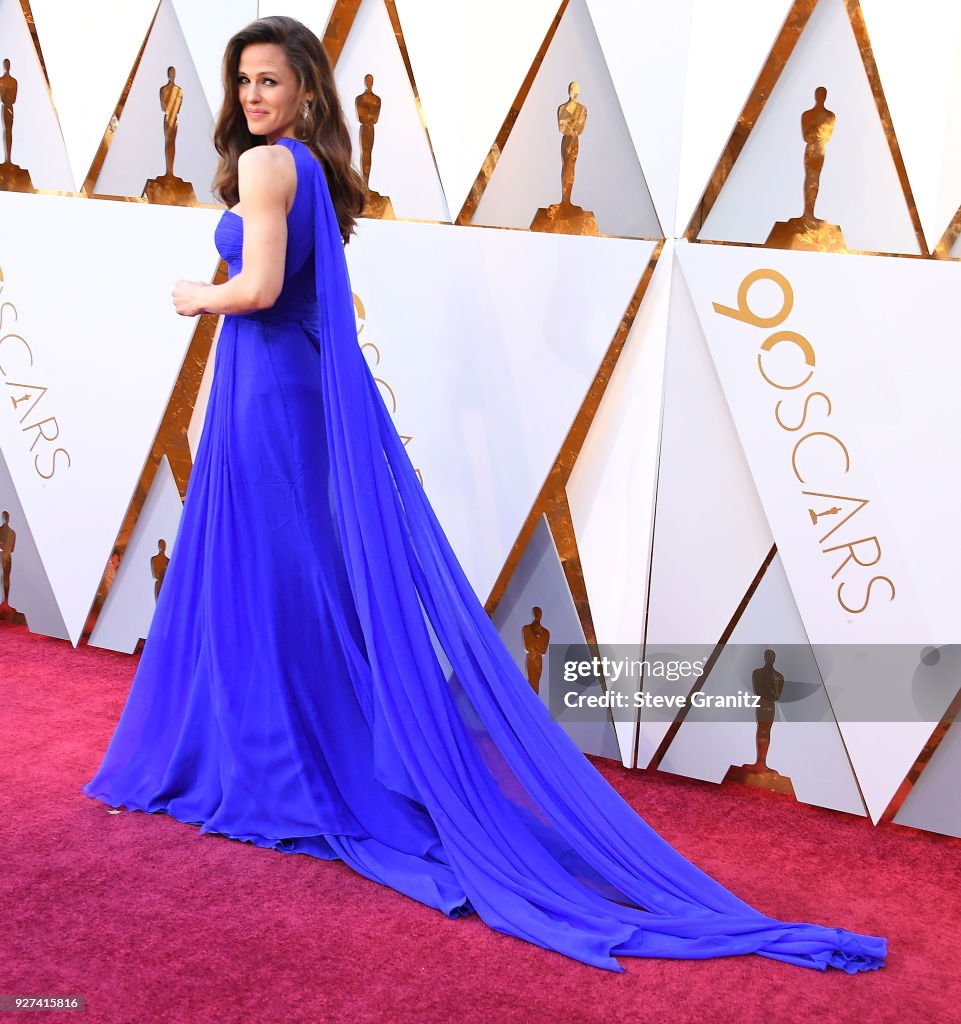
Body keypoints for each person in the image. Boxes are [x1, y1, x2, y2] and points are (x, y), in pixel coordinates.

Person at [82, 16, 886, 975]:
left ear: (305, 89)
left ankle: (274, 768)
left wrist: (193, 294)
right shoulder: (310, 169)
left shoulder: (264, 169)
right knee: (292, 577)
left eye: (270, 81)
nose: (253, 96)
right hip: (285, 386)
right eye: (244, 81)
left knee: (271, 577)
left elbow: (254, 288)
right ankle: (287, 756)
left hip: (263, 389)